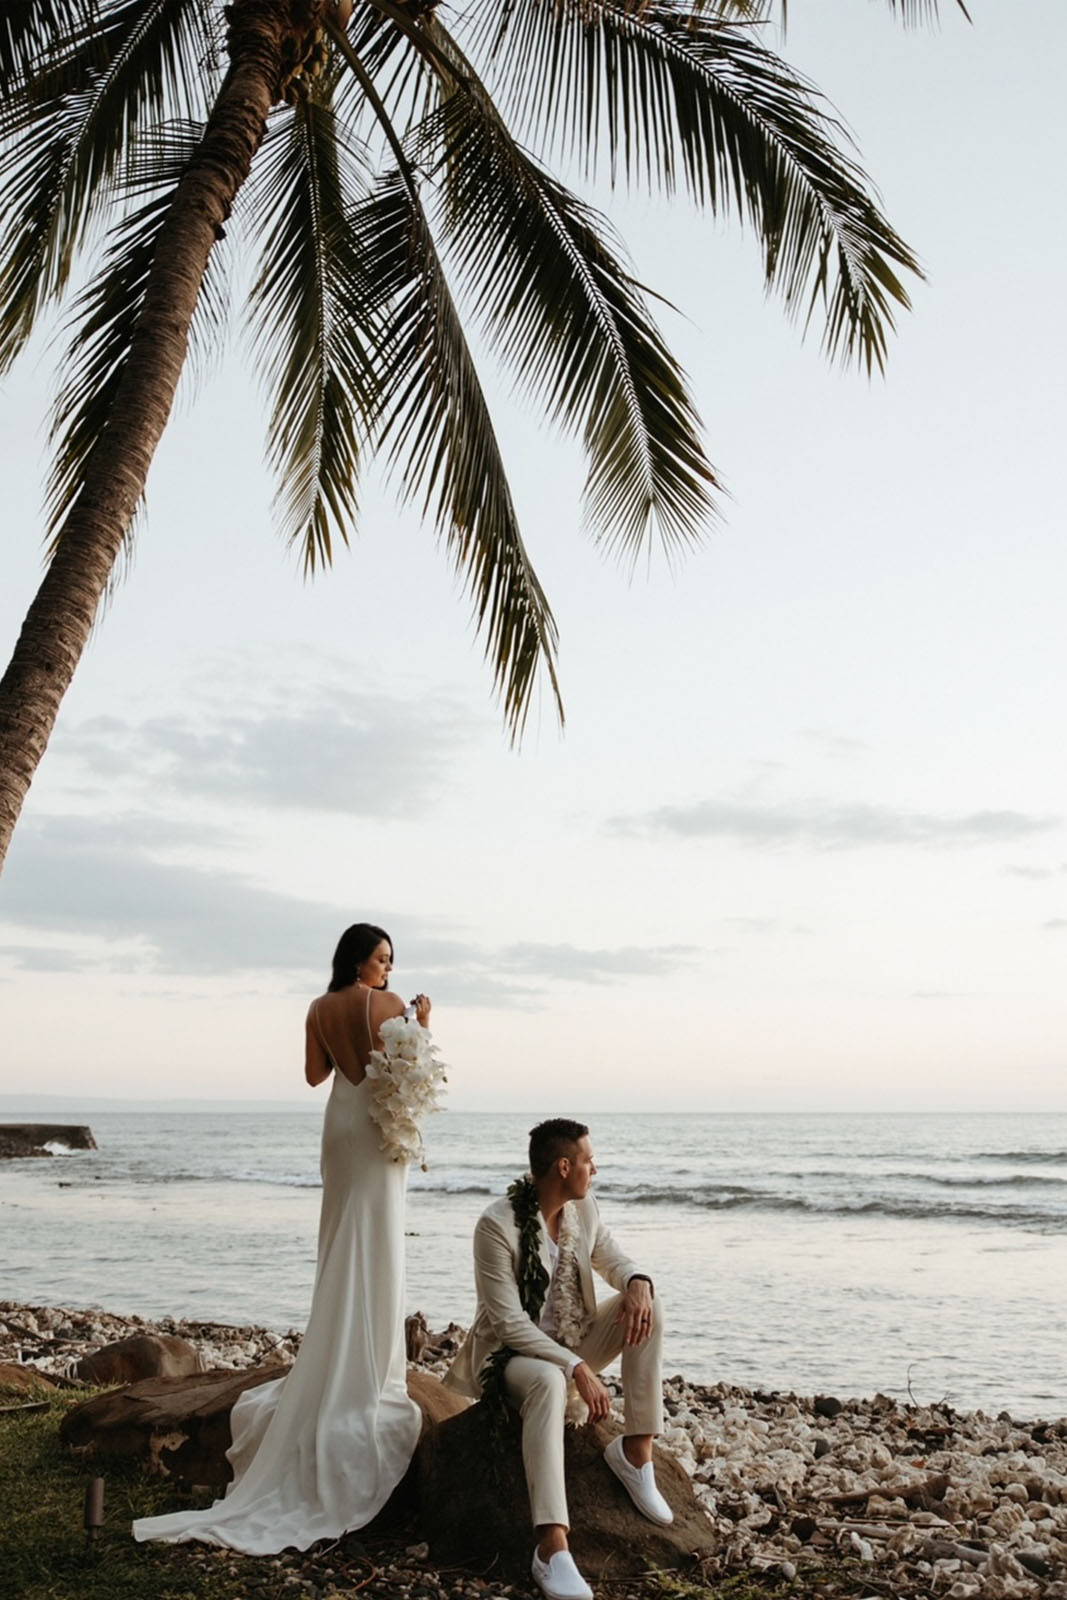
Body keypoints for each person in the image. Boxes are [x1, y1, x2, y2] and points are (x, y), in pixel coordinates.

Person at [133, 923, 432, 1554]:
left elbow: (314, 1076)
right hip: (380, 1133)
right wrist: (423, 1023)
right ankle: (371, 1364)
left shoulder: (319, 1008)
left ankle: (334, 1350)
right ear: (360, 959)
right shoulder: (392, 1008)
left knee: (340, 1241)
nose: (388, 971)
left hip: (343, 1129)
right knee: (378, 1242)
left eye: (391, 963)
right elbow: (407, 1073)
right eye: (382, 959)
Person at [445, 1118, 670, 1600]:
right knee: (548, 1380)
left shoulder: (582, 1207)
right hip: (514, 1358)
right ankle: (550, 1545)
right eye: (589, 1160)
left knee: (650, 1307)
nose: (596, 1168)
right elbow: (509, 1324)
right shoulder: (496, 1225)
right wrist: (575, 1367)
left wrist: (636, 1281)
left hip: (575, 1340)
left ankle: (635, 1452)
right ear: (564, 1166)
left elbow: (611, 1256)